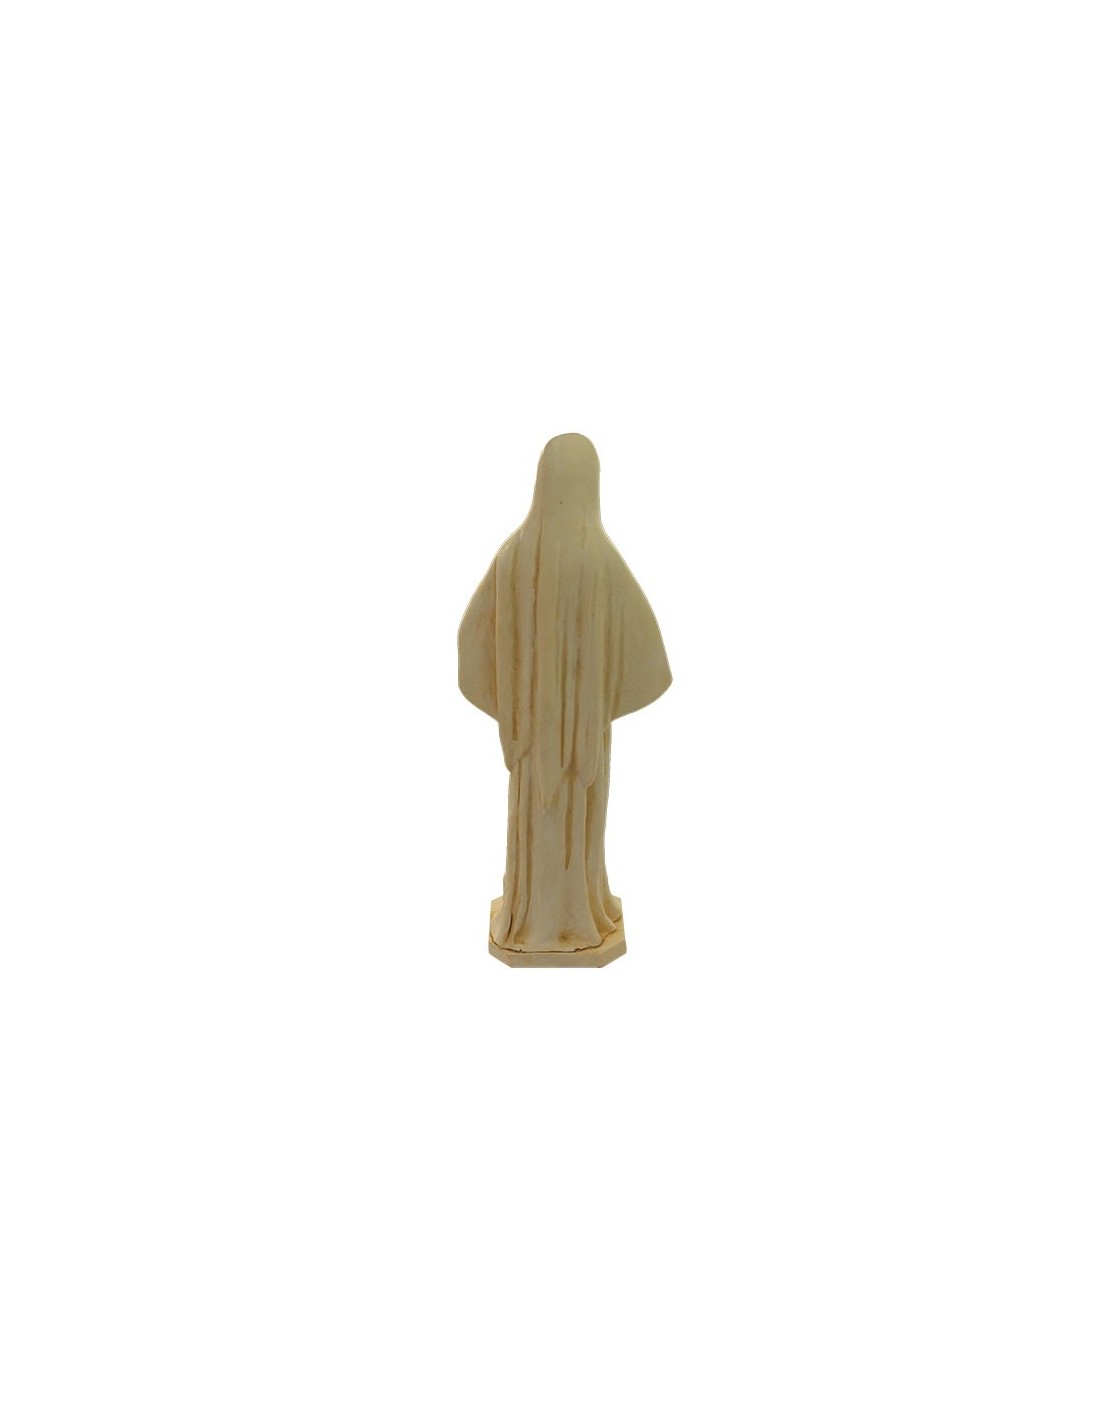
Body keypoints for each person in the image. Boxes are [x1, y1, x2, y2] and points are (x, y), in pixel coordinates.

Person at [458, 433, 671, 959]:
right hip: (578, 752)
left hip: (533, 750)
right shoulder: (601, 560)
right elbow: (648, 662)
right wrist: (594, 704)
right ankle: (577, 911)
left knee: (538, 820)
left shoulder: (512, 556)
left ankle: (534, 915)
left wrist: (517, 710)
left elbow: (471, 641)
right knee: (575, 820)